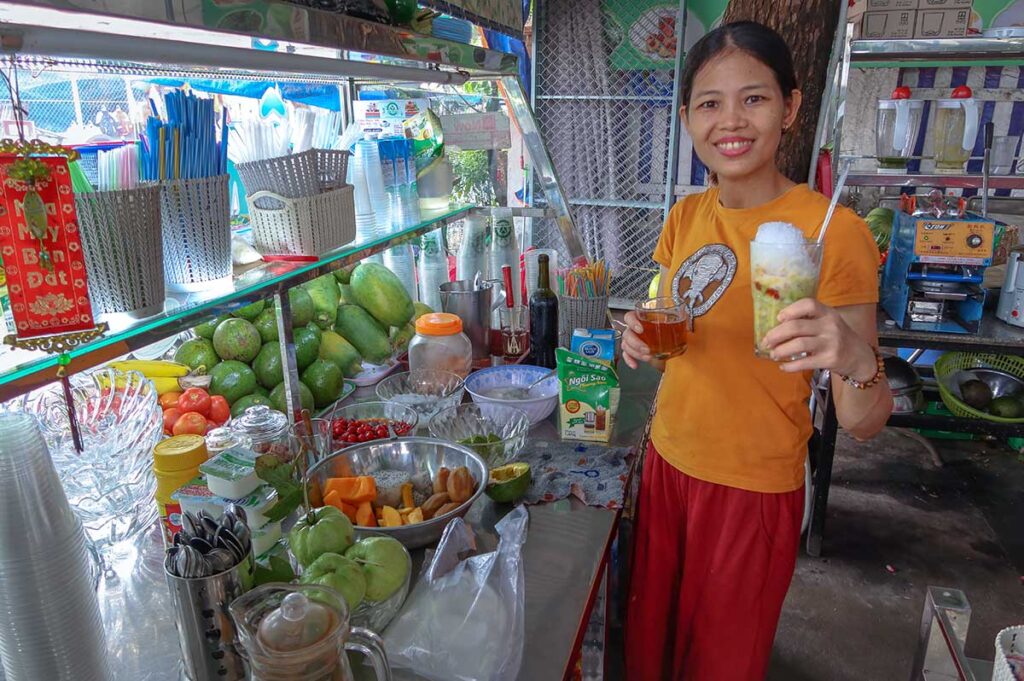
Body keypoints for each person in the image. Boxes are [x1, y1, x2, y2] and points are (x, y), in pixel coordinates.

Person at [622, 21, 893, 680]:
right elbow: (674, 346)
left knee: (720, 665)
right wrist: (642, 336)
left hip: (752, 491)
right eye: (709, 103)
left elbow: (866, 420)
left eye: (755, 98)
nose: (731, 121)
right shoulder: (684, 218)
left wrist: (854, 359)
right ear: (686, 117)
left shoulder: (834, 232)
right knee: (647, 657)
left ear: (791, 107)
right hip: (666, 467)